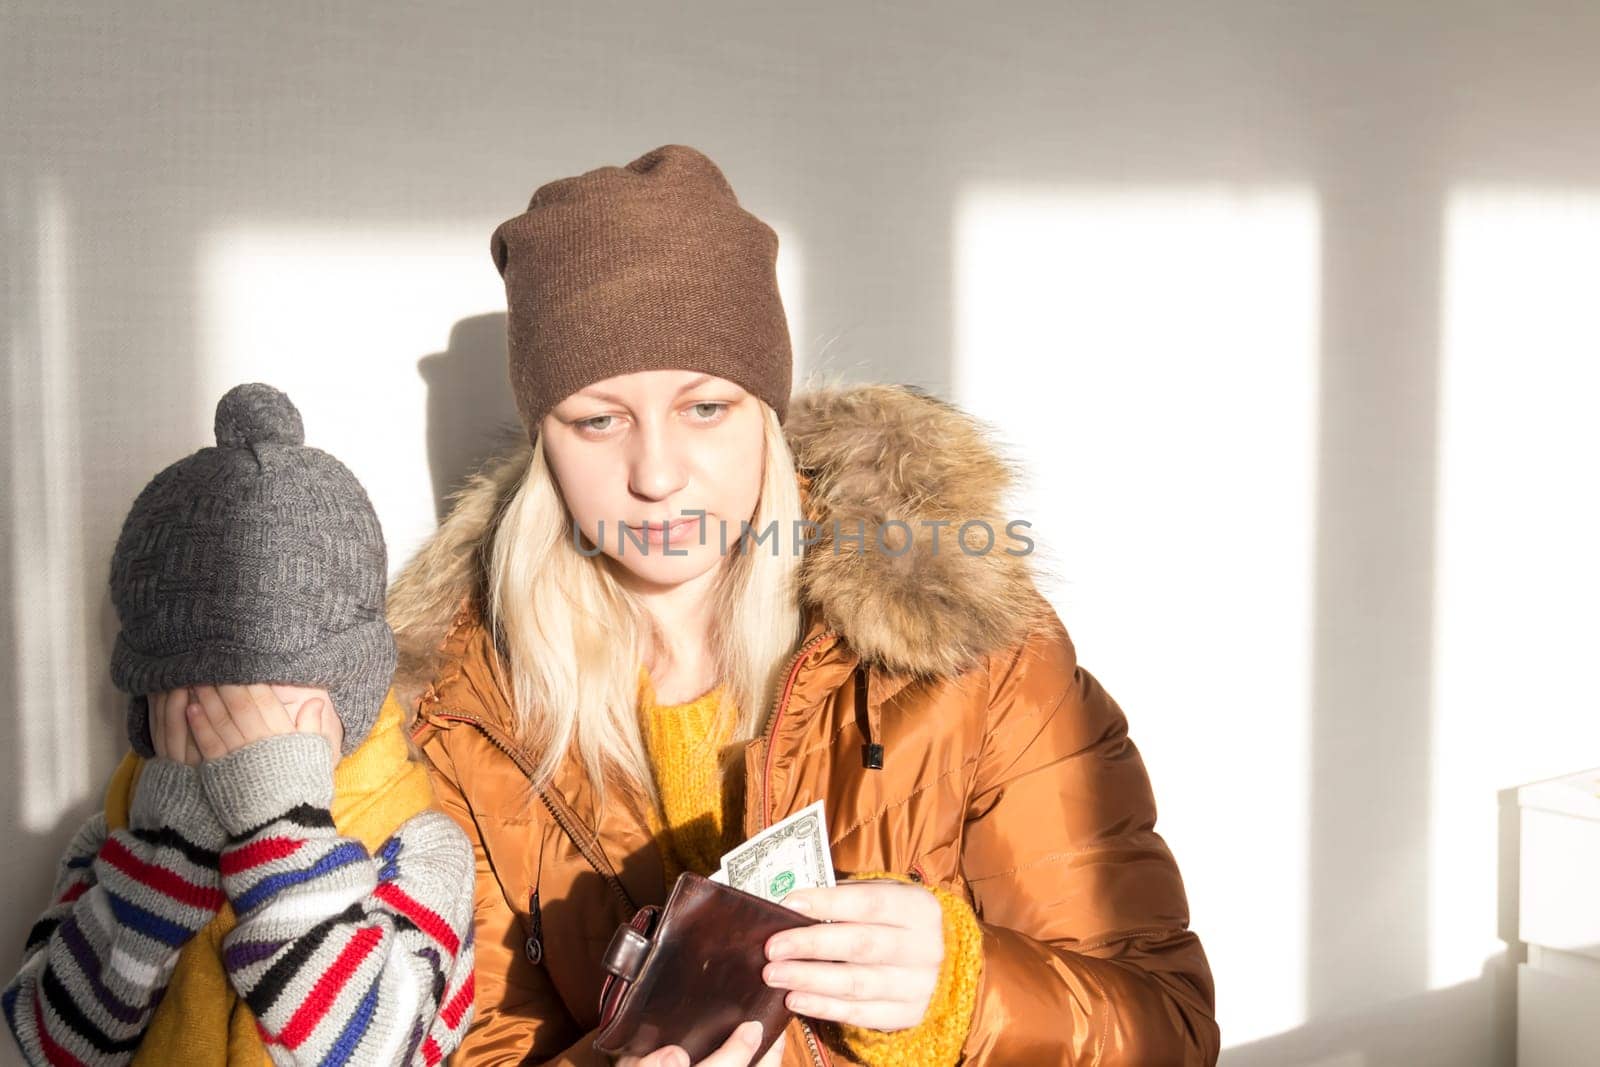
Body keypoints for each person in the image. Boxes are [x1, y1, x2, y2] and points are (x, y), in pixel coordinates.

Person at [390, 144, 1221, 1065]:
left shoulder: (970, 653)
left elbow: (1167, 1029)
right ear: (546, 442)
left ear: (766, 413)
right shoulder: (463, 710)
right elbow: (478, 1040)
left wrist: (960, 987)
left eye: (705, 408)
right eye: (599, 419)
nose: (657, 475)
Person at [3, 383, 478, 1066]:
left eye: (271, 689)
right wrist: (167, 846)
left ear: (350, 690)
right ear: (154, 705)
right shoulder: (117, 830)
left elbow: (369, 1050)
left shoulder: (420, 845)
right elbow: (53, 1046)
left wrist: (280, 821)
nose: (240, 723)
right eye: (204, 692)